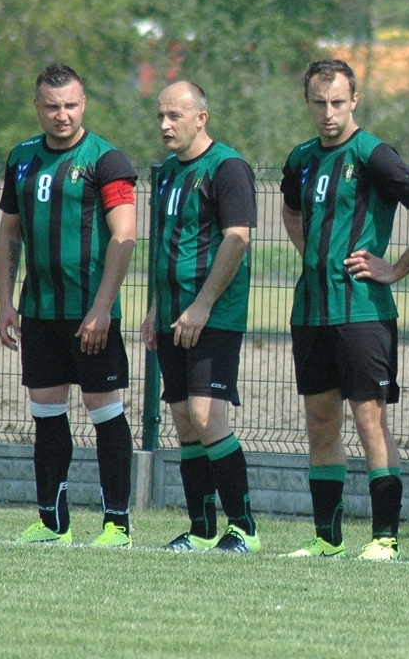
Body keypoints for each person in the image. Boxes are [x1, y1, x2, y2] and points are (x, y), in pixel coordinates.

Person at [281, 59, 409, 561]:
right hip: (311, 310)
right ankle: (327, 540)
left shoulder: (374, 153)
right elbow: (290, 210)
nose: (328, 112)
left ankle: (385, 538)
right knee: (319, 420)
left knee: (369, 420)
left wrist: (395, 268)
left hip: (363, 312)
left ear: (354, 100)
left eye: (337, 102)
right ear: (307, 102)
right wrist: (314, 253)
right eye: (318, 103)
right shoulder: (301, 158)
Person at [0, 64, 136, 547]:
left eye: (71, 105)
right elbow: (9, 232)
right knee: (47, 416)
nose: (62, 114)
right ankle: (53, 523)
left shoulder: (107, 160)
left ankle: (117, 524)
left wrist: (102, 307)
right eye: (52, 106)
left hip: (89, 314)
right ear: (38, 107)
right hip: (38, 313)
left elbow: (125, 235)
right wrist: (5, 303)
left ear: (84, 104)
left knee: (105, 415)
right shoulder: (20, 158)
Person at [141, 81, 261, 554]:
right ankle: (202, 528)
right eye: (160, 116)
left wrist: (204, 303)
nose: (166, 125)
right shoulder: (168, 172)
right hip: (172, 313)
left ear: (201, 118)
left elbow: (237, 240)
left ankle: (244, 528)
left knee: (206, 415)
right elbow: (167, 242)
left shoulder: (228, 168)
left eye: (175, 115)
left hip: (213, 313)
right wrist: (156, 306)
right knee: (183, 421)